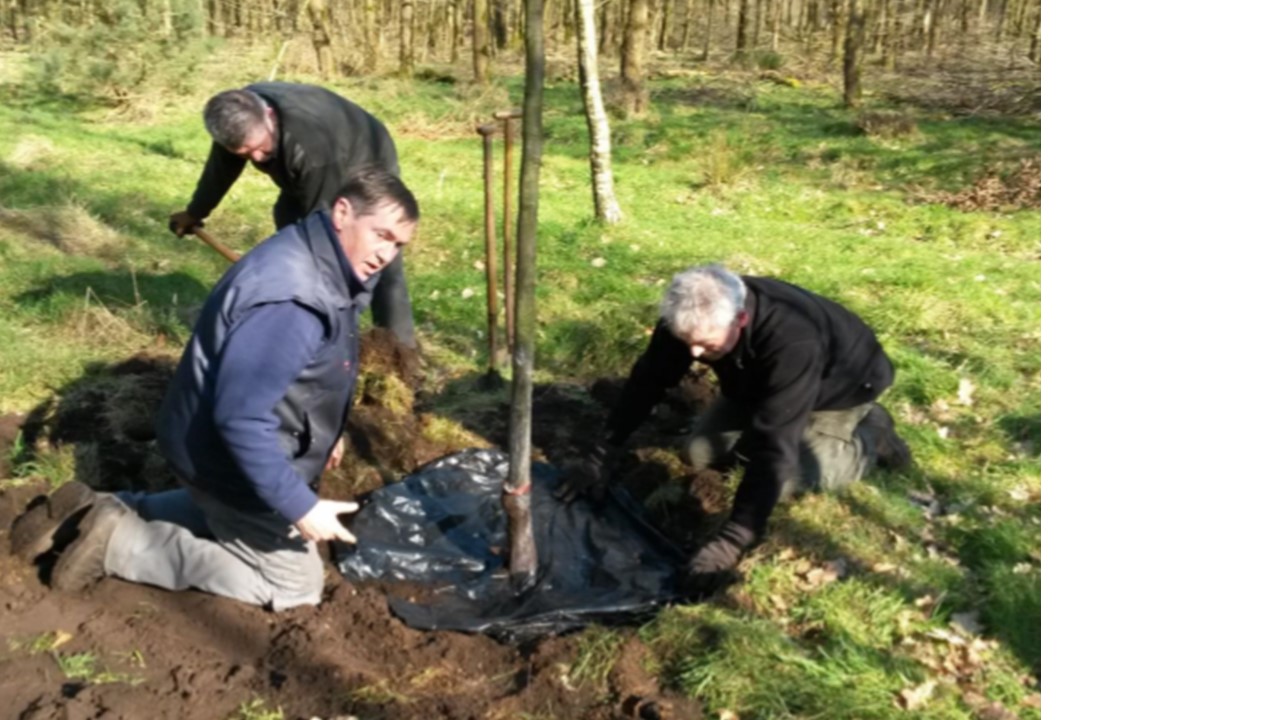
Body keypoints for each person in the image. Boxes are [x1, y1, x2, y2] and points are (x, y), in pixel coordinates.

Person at [13, 168, 419, 610]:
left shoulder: (312, 253)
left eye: (398, 244)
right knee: (296, 587)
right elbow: (241, 420)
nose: (386, 254)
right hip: (223, 455)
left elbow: (304, 368)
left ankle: (101, 506)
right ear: (343, 212)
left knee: (225, 510)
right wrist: (301, 505)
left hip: (202, 436)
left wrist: (325, 428)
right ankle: (119, 543)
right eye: (381, 235)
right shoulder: (295, 301)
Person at [560, 264, 912, 589]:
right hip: (756, 386)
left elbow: (777, 443)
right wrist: (602, 453)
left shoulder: (793, 340)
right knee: (698, 453)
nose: (695, 354)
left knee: (788, 478)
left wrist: (734, 537)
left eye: (707, 345)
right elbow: (646, 382)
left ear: (740, 319)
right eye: (688, 343)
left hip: (838, 389)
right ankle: (767, 413)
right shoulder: (691, 315)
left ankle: (871, 436)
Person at [168, 82, 417, 348]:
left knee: (371, 253)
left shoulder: (311, 149)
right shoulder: (239, 116)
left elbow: (325, 229)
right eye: (246, 154)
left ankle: (393, 346)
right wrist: (195, 212)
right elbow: (220, 170)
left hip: (363, 155)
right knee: (289, 222)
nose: (257, 158)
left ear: (270, 116)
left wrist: (326, 269)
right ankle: (297, 309)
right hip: (304, 165)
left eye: (261, 149)